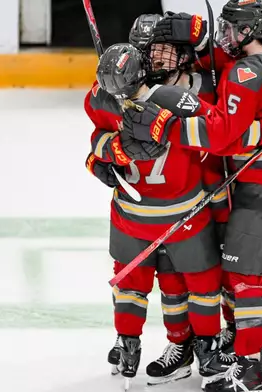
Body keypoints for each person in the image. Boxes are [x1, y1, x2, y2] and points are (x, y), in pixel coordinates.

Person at [119, 1, 262, 390]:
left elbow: (222, 137)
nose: (225, 36)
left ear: (251, 30)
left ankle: (249, 368)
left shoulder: (244, 70)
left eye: (232, 29)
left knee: (244, 280)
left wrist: (163, 129)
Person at [84, 14, 216, 388]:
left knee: (135, 281)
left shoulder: (104, 93)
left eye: (166, 52)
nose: (158, 60)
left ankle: (136, 342)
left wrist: (106, 151)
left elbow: (97, 132)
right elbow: (219, 126)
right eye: (152, 53)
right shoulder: (187, 94)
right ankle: (198, 345)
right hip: (182, 211)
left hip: (140, 211)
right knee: (187, 284)